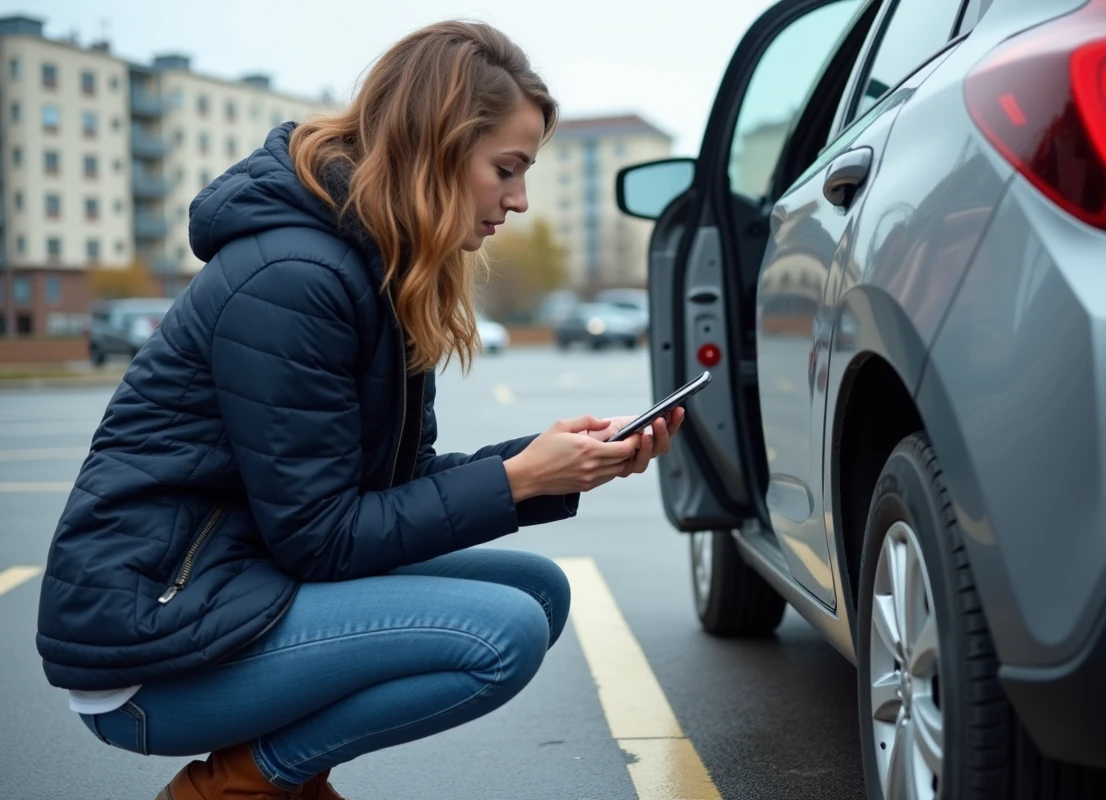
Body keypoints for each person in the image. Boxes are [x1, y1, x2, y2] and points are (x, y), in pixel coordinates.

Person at [35, 20, 683, 800]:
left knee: (539, 591)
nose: (518, 200)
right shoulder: (293, 278)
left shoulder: (376, 269)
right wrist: (514, 480)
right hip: (154, 643)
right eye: (506, 169)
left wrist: (550, 467)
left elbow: (393, 487)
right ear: (438, 148)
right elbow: (323, 538)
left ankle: (294, 781)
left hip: (240, 586)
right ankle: (241, 786)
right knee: (500, 635)